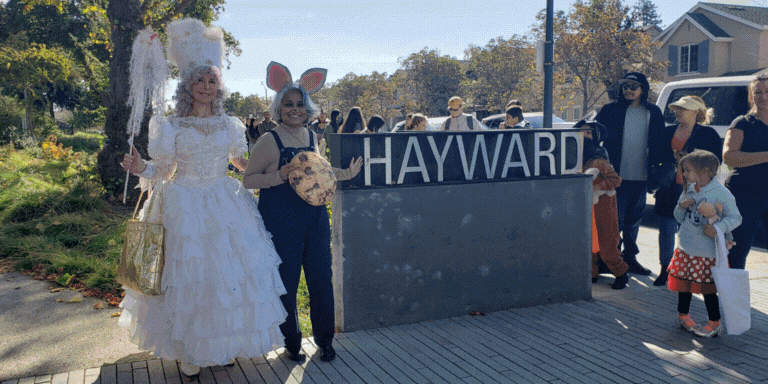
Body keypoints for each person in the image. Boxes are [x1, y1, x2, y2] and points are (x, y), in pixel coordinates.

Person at [118, 19, 286, 377]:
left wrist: (271, 165)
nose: (207, 87)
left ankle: (219, 345)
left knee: (224, 280)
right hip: (183, 205)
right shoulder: (171, 126)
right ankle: (190, 351)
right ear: (188, 86)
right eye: (200, 80)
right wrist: (140, 167)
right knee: (189, 280)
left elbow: (240, 162)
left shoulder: (231, 125)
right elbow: (163, 169)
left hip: (225, 204)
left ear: (218, 87)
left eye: (212, 81)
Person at [242, 62, 362, 363]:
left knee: (321, 279)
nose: (294, 109)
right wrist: (278, 176)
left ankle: (325, 341)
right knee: (287, 282)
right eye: (288, 104)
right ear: (278, 108)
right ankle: (291, 342)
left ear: (307, 108)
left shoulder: (310, 137)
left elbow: (318, 173)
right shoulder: (269, 140)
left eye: (299, 104)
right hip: (281, 221)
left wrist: (346, 173)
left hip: (315, 218)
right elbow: (248, 179)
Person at [595, 72, 665, 275]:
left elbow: (660, 142)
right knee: (614, 221)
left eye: (634, 86)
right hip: (615, 177)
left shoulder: (653, 111)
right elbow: (592, 132)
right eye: (625, 86)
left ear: (643, 89)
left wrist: (660, 169)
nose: (628, 90)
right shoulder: (610, 110)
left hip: (642, 176)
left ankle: (630, 258)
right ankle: (610, 260)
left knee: (634, 221)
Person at [650, 96, 721, 286]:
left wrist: (692, 159)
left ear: (696, 112)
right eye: (677, 108)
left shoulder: (708, 134)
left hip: (695, 191)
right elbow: (654, 156)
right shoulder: (667, 132)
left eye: (683, 108)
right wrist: (669, 160)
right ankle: (665, 270)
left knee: (690, 233)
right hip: (669, 187)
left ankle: (686, 272)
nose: (678, 112)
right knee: (666, 230)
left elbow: (716, 162)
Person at [668, 150, 741, 338]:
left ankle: (714, 323)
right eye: (684, 170)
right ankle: (683, 316)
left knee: (708, 290)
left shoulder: (721, 193)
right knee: (684, 286)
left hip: (708, 252)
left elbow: (736, 218)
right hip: (686, 248)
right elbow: (678, 217)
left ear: (705, 172)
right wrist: (681, 206)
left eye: (688, 170)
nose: (684, 174)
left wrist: (718, 228)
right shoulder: (689, 189)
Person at [578, 116, 629, 289]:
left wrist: (594, 188)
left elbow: (615, 179)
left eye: (588, 132)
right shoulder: (576, 158)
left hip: (603, 206)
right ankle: (592, 273)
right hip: (587, 206)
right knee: (589, 241)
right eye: (582, 131)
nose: (584, 135)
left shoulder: (599, 160)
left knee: (607, 242)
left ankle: (621, 273)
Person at [724, 73, 768, 270]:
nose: (763, 96)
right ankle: (732, 289)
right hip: (745, 194)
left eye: (767, 91)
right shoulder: (742, 123)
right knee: (738, 249)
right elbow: (729, 157)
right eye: (758, 92)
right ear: (751, 96)